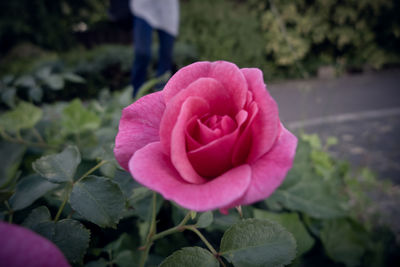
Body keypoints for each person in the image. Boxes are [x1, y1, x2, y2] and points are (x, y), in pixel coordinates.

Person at [130, 0, 180, 97]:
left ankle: (162, 98)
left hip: (168, 10)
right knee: (142, 54)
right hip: (143, 7)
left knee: (166, 58)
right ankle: (135, 95)